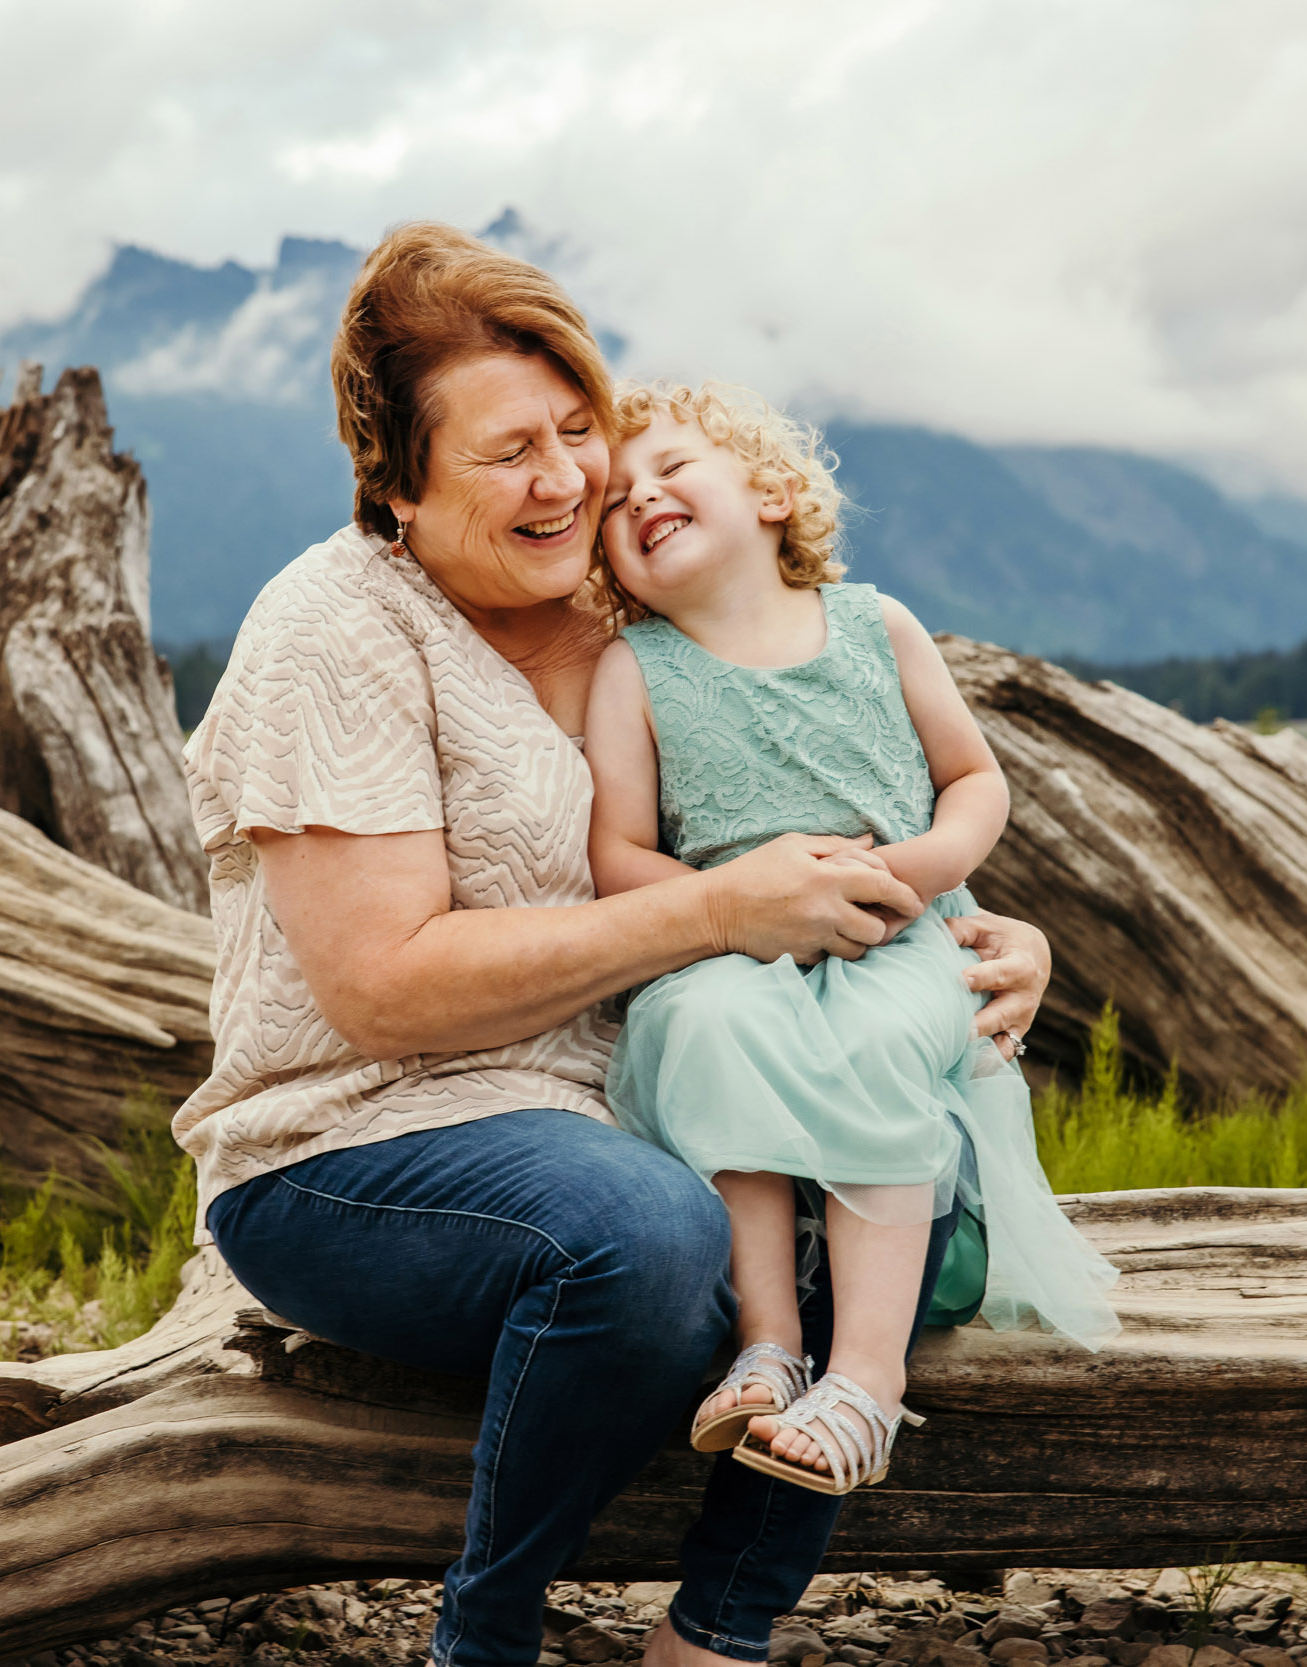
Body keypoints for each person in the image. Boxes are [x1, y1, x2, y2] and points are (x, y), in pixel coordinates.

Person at [176, 220, 1061, 1667]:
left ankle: (715, 1631)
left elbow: (839, 803)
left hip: (632, 1094)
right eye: (507, 451)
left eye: (579, 429)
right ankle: (490, 1629)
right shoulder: (330, 630)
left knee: (889, 1201)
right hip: (357, 1142)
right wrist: (714, 912)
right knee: (651, 1239)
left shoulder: (629, 611)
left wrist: (974, 937)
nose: (566, 479)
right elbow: (385, 990)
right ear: (395, 483)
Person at [584, 381, 1124, 1497]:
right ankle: (768, 1344)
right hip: (732, 942)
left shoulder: (876, 625)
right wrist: (728, 898)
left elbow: (974, 777)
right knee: (704, 1021)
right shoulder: (633, 668)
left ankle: (867, 1383)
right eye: (614, 502)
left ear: (773, 492)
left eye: (672, 470)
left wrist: (910, 871)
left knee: (881, 1044)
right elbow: (618, 854)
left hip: (899, 937)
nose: (640, 499)